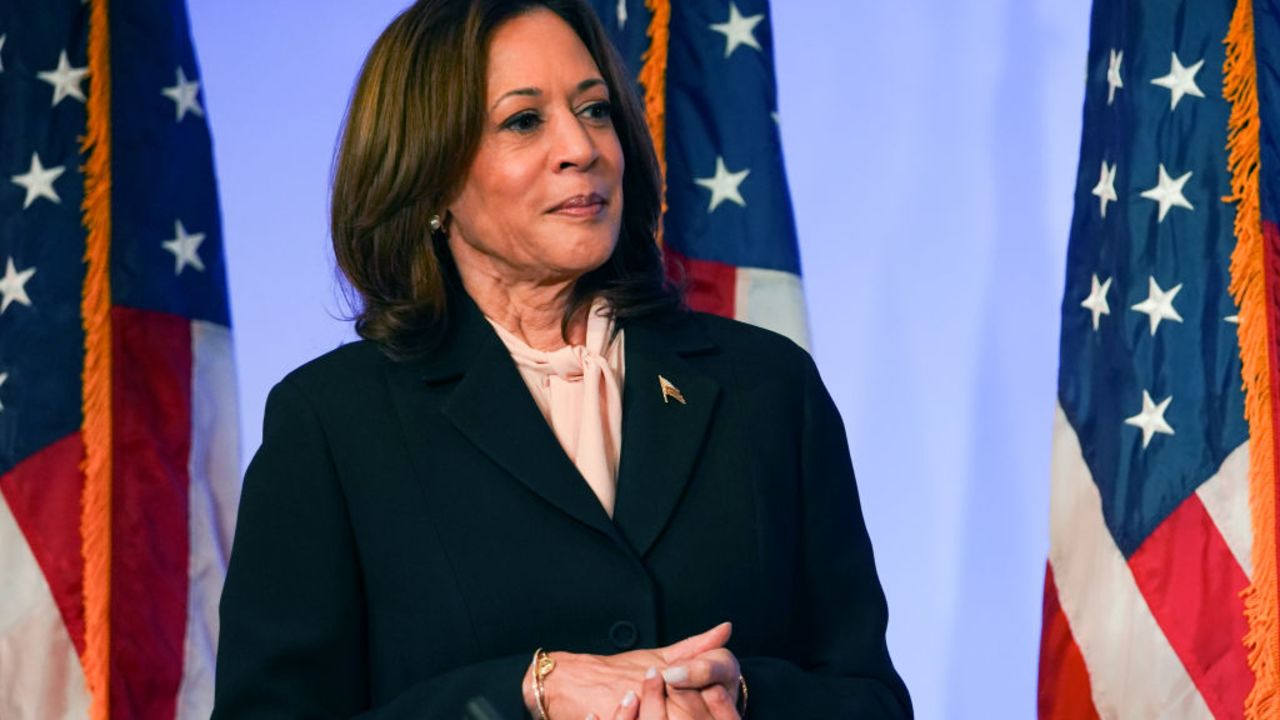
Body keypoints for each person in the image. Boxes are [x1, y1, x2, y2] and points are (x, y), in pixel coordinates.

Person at [212, 1, 911, 718]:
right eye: (523, 120)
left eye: (597, 109)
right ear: (430, 179)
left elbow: (870, 698)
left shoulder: (766, 386)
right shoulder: (334, 422)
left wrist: (746, 694)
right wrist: (526, 692)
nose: (582, 147)